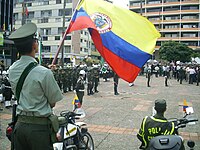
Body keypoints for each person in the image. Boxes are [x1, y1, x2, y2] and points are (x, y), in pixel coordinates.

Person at [8, 23, 63, 150]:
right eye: (36, 41)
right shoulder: (44, 73)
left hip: (19, 126)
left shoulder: (12, 70)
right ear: (34, 45)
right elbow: (53, 103)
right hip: (39, 130)